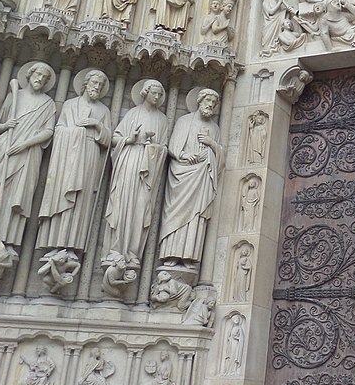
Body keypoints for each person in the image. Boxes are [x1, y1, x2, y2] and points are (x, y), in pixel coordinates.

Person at [0, 62, 56, 251]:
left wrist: (25, 144)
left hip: (29, 153)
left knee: (20, 196)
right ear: (29, 75)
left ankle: (9, 241)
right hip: (7, 147)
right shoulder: (15, 95)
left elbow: (49, 131)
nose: (40, 79)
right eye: (38, 74)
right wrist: (6, 125)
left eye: (45, 78)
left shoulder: (48, 103)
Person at [37, 69, 112, 252]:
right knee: (61, 192)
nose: (98, 87)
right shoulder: (70, 105)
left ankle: (73, 245)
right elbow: (59, 129)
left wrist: (97, 125)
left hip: (90, 155)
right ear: (85, 84)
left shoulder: (103, 110)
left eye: (101, 85)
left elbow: (108, 140)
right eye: (95, 83)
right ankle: (53, 243)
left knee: (82, 200)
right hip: (67, 157)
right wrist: (76, 132)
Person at [101, 80, 170, 274]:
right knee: (121, 206)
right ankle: (115, 250)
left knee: (141, 208)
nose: (157, 97)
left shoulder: (163, 120)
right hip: (129, 163)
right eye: (154, 93)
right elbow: (115, 139)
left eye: (160, 94)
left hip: (148, 170)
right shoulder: (132, 114)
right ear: (145, 93)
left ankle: (132, 252)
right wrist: (130, 140)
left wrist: (152, 146)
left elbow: (165, 148)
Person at [158, 89, 222, 266]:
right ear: (199, 101)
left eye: (213, 103)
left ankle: (189, 256)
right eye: (207, 100)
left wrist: (212, 144)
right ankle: (170, 254)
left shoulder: (215, 128)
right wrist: (184, 155)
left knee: (197, 215)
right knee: (177, 213)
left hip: (202, 177)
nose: (210, 105)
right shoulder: (184, 121)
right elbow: (173, 146)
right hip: (182, 174)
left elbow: (221, 157)